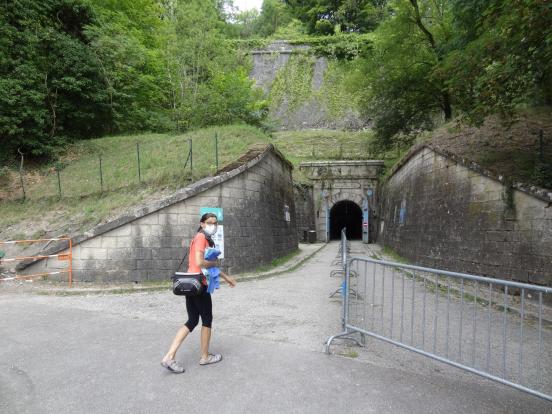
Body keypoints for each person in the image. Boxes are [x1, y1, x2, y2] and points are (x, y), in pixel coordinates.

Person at [161, 213, 237, 373]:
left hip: (192, 283)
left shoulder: (199, 238)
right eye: (210, 223)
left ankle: (169, 356)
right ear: (202, 224)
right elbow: (200, 262)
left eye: (215, 223)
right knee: (207, 320)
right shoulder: (202, 238)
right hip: (199, 285)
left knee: (192, 320)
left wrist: (226, 277)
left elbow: (207, 266)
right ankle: (205, 356)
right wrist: (214, 263)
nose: (213, 226)